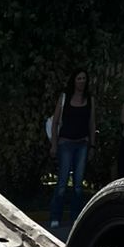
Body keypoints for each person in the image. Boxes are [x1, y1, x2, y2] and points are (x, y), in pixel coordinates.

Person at [48, 70, 96, 231]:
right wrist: (54, 144)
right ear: (73, 81)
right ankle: (55, 216)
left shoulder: (89, 99)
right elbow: (55, 122)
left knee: (78, 185)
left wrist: (92, 146)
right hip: (65, 143)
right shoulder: (65, 97)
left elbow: (92, 123)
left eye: (84, 78)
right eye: (79, 78)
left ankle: (75, 217)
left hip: (82, 144)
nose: (81, 81)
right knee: (62, 183)